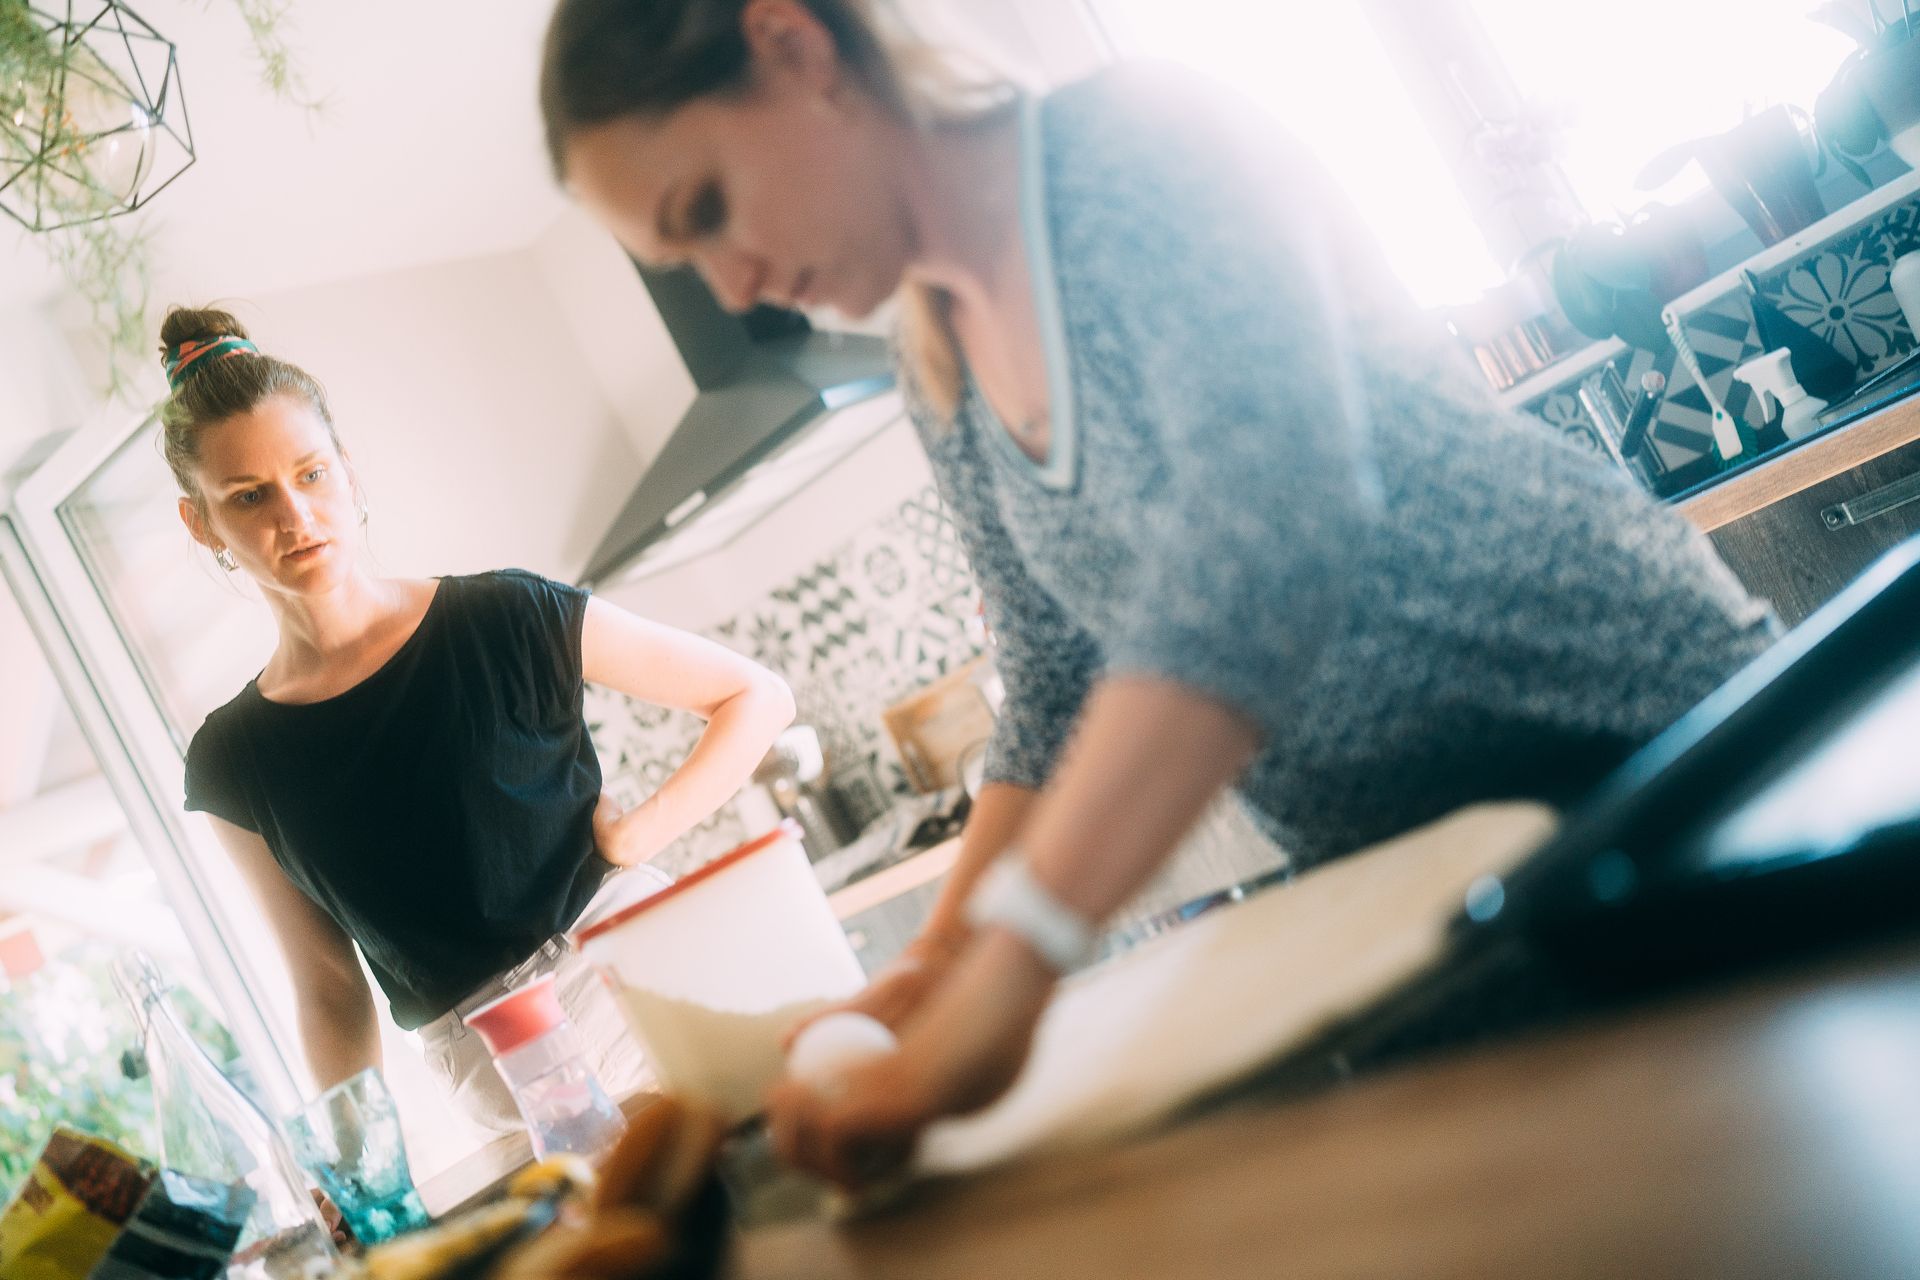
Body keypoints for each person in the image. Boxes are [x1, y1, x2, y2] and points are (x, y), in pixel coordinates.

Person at [538, 0, 1780, 1184]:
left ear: (795, 47)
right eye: (686, 261)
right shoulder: (937, 364)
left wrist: (1014, 973)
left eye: (707, 210)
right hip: (1412, 875)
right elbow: (1053, 687)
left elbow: (1262, 551)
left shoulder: (1139, 151)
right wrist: (940, 958)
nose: (734, 286)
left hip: (1649, 762)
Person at [165, 308, 795, 1131]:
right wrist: (357, 1155)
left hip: (644, 974)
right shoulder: (231, 761)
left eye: (311, 473)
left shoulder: (507, 615)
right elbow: (327, 986)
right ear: (202, 522)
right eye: (249, 496)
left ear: (347, 472)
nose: (295, 516)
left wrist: (634, 836)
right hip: (493, 1071)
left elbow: (756, 697)